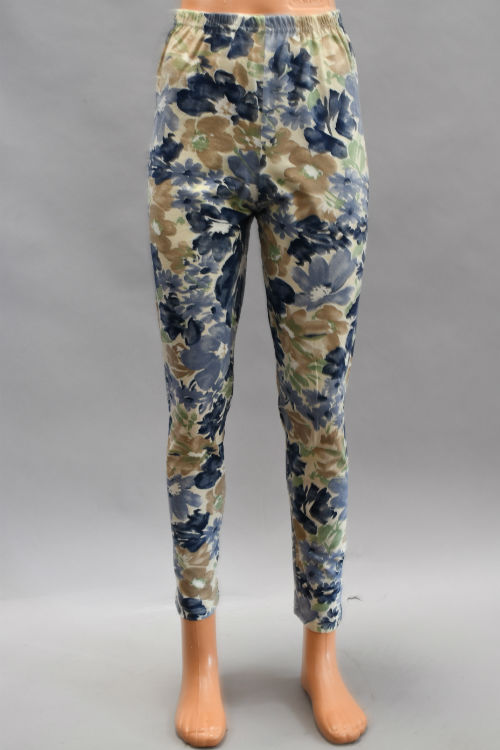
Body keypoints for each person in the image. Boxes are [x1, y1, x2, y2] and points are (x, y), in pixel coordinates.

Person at [147, 0, 369, 744]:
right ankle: (199, 658)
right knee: (195, 409)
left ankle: (322, 651)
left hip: (316, 85)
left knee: (319, 411)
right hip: (199, 78)